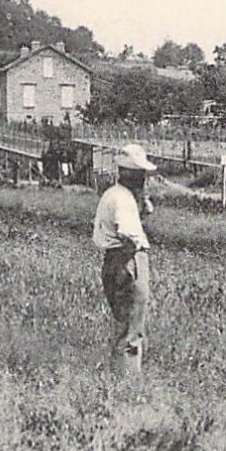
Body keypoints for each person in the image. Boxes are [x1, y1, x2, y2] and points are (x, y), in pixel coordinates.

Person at [92, 144, 156, 373]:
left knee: (122, 323)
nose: (144, 179)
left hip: (114, 259)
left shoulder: (115, 194)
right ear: (131, 174)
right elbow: (127, 232)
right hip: (127, 259)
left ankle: (117, 375)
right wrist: (132, 260)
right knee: (132, 328)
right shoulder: (123, 199)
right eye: (141, 174)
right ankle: (128, 383)